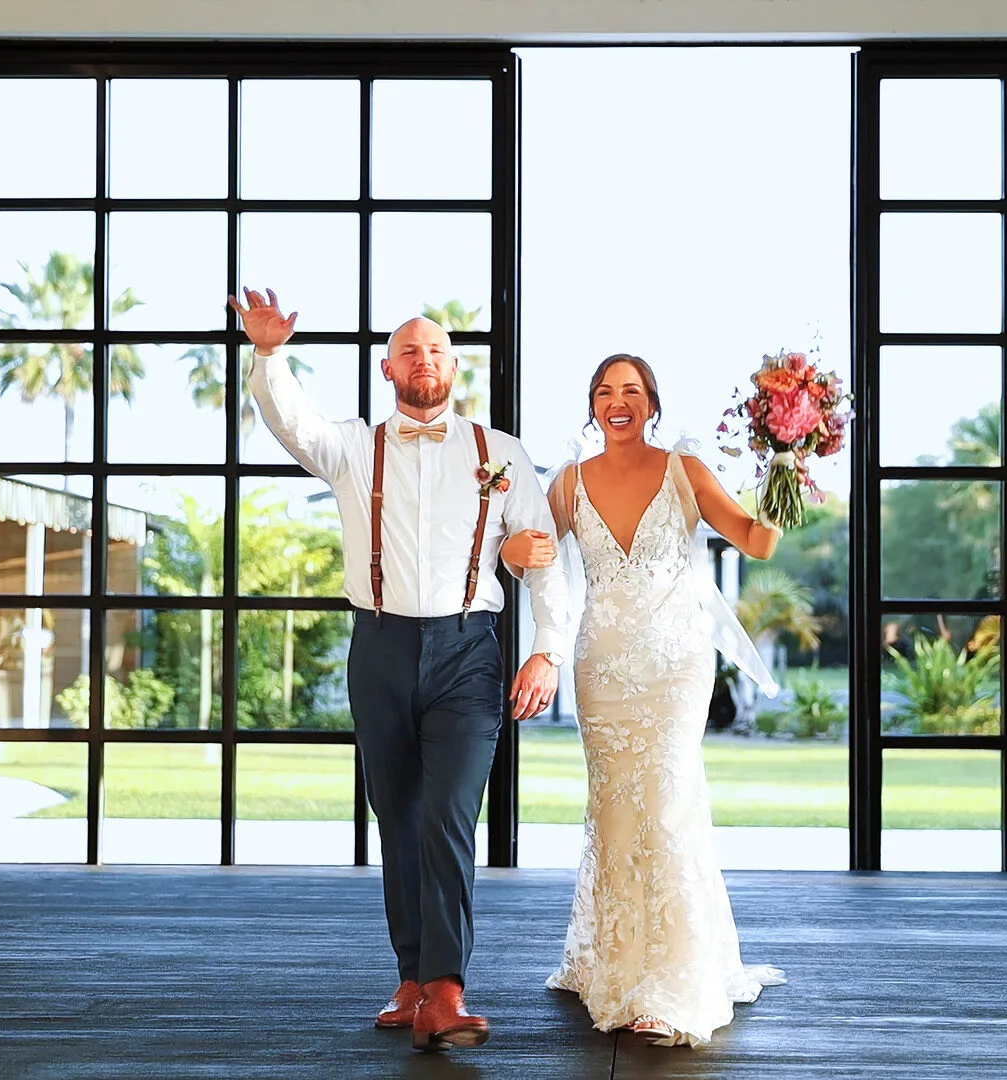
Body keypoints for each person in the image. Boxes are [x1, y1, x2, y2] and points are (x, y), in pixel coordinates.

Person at [231, 288, 570, 1053]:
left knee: (449, 815)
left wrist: (546, 647)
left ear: (456, 368)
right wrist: (267, 354)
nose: (427, 360)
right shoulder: (354, 447)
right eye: (411, 350)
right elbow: (289, 421)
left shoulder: (501, 453)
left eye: (439, 350)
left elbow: (542, 556)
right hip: (379, 647)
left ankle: (446, 990)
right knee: (399, 814)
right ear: (388, 368)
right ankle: (412, 979)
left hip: (468, 652)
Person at [502, 353, 788, 1047]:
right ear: (593, 407)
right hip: (601, 666)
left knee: (665, 799)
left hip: (676, 665)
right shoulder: (568, 481)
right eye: (605, 391)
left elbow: (754, 540)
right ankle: (614, 960)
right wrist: (513, 551)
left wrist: (784, 473)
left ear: (651, 403)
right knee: (615, 807)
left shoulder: (685, 470)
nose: (617, 401)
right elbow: (528, 558)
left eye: (631, 390)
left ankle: (670, 982)